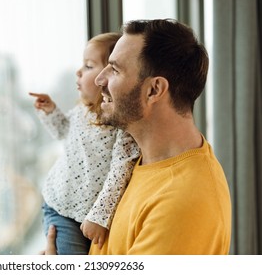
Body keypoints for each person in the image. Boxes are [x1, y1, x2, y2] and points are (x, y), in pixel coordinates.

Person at [43, 19, 232, 255]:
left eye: (115, 69)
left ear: (154, 90)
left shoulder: (184, 202)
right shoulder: (130, 163)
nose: (100, 80)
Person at [29, 32, 141, 255]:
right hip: (60, 207)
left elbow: (121, 171)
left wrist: (100, 216)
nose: (78, 72)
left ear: (110, 76)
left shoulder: (121, 126)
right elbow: (62, 131)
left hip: (92, 214)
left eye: (89, 66)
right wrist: (51, 111)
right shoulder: (82, 112)